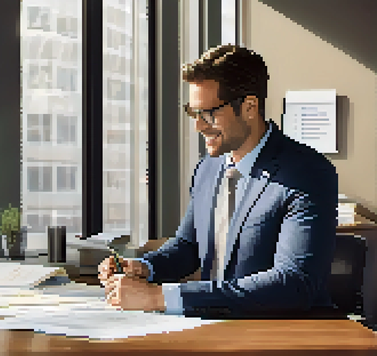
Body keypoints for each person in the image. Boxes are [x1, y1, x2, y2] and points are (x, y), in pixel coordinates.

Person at [98, 44, 338, 318]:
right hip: (214, 326)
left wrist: (158, 296)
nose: (198, 126)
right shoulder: (208, 167)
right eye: (194, 112)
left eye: (209, 114)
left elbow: (294, 283)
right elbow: (188, 246)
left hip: (281, 333)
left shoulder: (306, 173)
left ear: (249, 107)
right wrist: (144, 268)